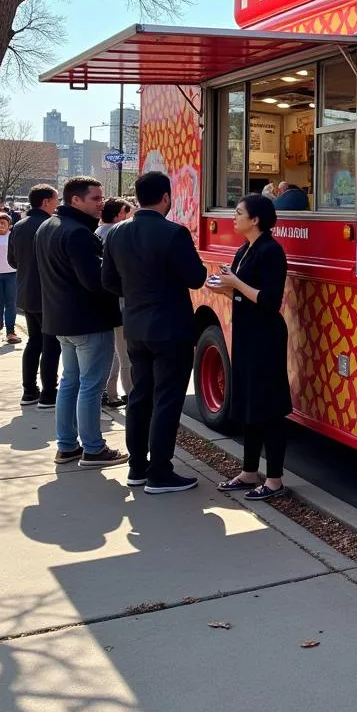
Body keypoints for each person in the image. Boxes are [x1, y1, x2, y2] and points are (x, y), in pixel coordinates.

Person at [102, 171, 207, 493]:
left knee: (140, 396)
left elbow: (107, 281)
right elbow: (196, 277)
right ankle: (160, 471)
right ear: (166, 197)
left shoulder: (117, 233)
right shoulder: (174, 233)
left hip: (136, 325)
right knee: (167, 400)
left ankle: (137, 467)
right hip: (170, 327)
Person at [35, 177, 127, 468]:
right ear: (75, 200)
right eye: (95, 198)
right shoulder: (77, 233)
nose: (101, 203)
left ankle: (67, 446)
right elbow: (96, 281)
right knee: (88, 385)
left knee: (71, 383)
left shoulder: (48, 226)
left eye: (101, 198)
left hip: (62, 320)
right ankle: (93, 448)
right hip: (88, 321)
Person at [212, 193, 291, 501]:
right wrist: (224, 289)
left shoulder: (271, 251)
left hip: (266, 336)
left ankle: (275, 480)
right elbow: (244, 296)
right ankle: (248, 472)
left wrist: (235, 284)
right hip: (246, 332)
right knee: (248, 403)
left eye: (239, 212)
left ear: (255, 219)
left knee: (269, 406)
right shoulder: (245, 249)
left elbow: (270, 301)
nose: (234, 217)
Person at [7, 184, 60, 406]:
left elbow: (12, 261)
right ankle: (49, 393)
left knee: (34, 342)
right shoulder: (50, 226)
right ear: (46, 201)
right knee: (50, 345)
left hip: (27, 292)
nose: (58, 204)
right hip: (48, 294)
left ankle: (29, 390)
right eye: (56, 200)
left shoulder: (19, 225)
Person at [97, 197, 133, 409]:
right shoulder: (118, 234)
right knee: (124, 352)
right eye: (128, 213)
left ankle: (109, 392)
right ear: (120, 214)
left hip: (103, 301)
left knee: (112, 352)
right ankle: (128, 392)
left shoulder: (97, 232)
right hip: (119, 301)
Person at [0, 213, 18, 343]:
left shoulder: (13, 237)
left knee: (11, 304)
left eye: (3, 223)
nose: (1, 226)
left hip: (12, 274)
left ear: (9, 225)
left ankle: (10, 332)